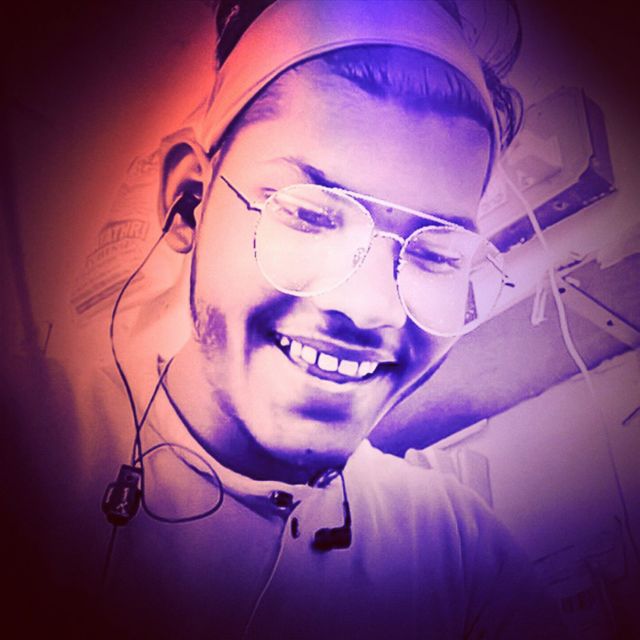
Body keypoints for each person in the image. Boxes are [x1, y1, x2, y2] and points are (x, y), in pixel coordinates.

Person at [47, 1, 569, 638]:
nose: (371, 307)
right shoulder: (29, 450)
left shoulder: (461, 559)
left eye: (437, 253)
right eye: (311, 213)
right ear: (188, 202)